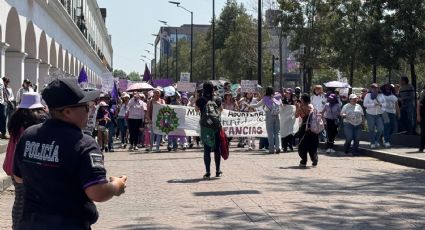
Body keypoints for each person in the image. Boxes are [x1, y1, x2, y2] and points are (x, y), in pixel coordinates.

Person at [13, 79, 127, 229]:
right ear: (67, 112)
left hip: (30, 223)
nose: (90, 110)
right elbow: (97, 192)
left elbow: (18, 177)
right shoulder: (84, 143)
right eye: (86, 107)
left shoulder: (29, 134)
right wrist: (116, 186)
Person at [2, 92, 48, 230]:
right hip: (27, 167)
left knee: (19, 199)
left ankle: (16, 226)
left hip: (12, 164)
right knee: (32, 201)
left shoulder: (15, 118)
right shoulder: (38, 120)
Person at [196, 81, 223, 179]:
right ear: (213, 89)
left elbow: (196, 110)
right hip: (216, 127)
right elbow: (221, 110)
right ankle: (218, 171)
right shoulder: (217, 99)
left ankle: (207, 172)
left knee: (207, 150)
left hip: (206, 128)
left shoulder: (201, 100)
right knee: (217, 149)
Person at [248, 87, 282, 154]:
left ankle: (271, 149)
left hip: (269, 115)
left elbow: (257, 105)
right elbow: (281, 105)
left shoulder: (265, 98)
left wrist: (248, 105)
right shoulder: (277, 96)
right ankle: (278, 147)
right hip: (277, 115)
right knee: (277, 132)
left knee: (270, 133)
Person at [295, 93, 319, 167]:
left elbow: (296, 115)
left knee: (302, 146)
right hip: (313, 128)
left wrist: (297, 107)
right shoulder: (311, 107)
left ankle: (304, 161)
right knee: (313, 145)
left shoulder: (301, 108)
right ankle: (314, 158)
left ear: (302, 100)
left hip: (305, 128)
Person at [363, 83, 385, 148]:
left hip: (378, 114)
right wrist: (373, 104)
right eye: (373, 88)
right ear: (371, 89)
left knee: (381, 129)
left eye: (376, 87)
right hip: (370, 114)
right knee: (371, 129)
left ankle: (376, 140)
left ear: (378, 88)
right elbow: (364, 104)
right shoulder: (368, 95)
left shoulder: (381, 95)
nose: (374, 89)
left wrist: (381, 104)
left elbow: (385, 104)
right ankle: (372, 143)